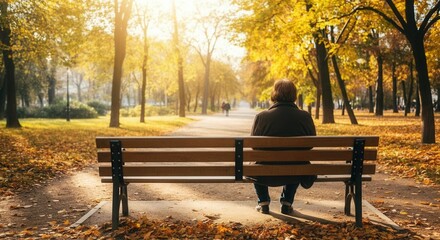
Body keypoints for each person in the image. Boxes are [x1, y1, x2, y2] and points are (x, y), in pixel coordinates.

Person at [250, 79, 316, 215]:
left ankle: (263, 202)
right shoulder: (305, 116)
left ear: (274, 93)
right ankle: (287, 202)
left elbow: (254, 146)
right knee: (297, 159)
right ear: (294, 94)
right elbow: (311, 144)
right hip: (296, 170)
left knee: (254, 162)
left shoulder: (262, 117)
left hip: (265, 171)